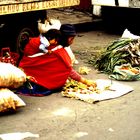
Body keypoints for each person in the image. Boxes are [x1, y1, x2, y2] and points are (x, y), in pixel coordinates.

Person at [17, 28, 96, 96]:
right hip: (29, 72)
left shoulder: (46, 42)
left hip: (24, 67)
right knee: (61, 67)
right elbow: (68, 70)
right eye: (71, 39)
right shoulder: (55, 50)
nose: (72, 42)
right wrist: (85, 81)